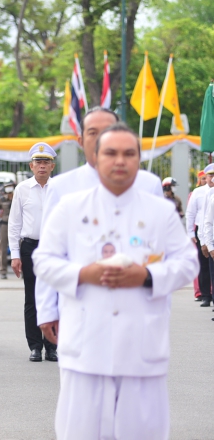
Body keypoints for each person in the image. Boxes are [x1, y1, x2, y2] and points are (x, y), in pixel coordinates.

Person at [33, 123, 197, 440]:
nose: (120, 160)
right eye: (111, 153)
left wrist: (147, 276)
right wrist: (83, 274)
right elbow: (43, 259)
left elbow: (188, 262)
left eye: (129, 153)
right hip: (85, 347)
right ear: (96, 156)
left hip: (141, 348)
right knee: (80, 432)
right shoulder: (71, 207)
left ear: (138, 159)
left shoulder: (160, 211)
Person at [36, 107, 163, 345]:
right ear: (80, 139)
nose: (101, 139)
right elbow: (49, 253)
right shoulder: (62, 187)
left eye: (109, 131)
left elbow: (165, 254)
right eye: (93, 132)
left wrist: (148, 278)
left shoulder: (149, 184)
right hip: (81, 306)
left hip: (136, 306)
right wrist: (47, 310)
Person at [8, 142, 58, 362]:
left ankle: (53, 346)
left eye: (46, 162)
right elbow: (14, 224)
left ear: (52, 166)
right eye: (38, 162)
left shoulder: (59, 189)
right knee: (32, 297)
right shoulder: (22, 189)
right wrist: (15, 255)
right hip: (30, 247)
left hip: (54, 248)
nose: (42, 166)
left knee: (54, 297)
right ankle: (35, 346)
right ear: (31, 165)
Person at [187, 166, 213, 305]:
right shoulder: (199, 192)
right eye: (209, 175)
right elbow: (192, 214)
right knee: (203, 264)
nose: (211, 178)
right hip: (202, 230)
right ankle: (206, 295)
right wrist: (191, 233)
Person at [0, 181, 15, 279]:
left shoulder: (17, 198)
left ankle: (22, 270)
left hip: (16, 225)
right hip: (4, 225)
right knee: (3, 248)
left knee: (19, 247)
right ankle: (3, 271)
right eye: (7, 187)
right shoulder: (2, 200)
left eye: (10, 187)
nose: (9, 189)